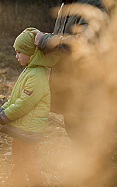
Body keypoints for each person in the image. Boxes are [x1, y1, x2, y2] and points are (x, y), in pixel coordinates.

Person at [31, 0, 110, 186]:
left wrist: (45, 40)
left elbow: (84, 42)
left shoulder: (93, 5)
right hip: (71, 91)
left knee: (87, 141)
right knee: (75, 134)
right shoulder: (67, 4)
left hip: (87, 90)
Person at [0, 28, 59, 187]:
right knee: (17, 160)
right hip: (21, 127)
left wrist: (1, 118)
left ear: (31, 52)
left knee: (29, 160)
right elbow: (15, 99)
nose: (16, 56)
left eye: (20, 52)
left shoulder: (36, 75)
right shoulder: (29, 70)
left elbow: (24, 104)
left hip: (29, 130)